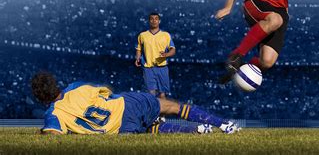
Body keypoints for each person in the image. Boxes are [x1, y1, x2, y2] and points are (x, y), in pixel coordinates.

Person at [31, 71, 240, 135]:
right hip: (128, 104)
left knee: (150, 129)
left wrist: (43, 132)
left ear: (41, 98)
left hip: (122, 128)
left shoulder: (54, 114)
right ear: (55, 84)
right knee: (173, 107)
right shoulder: (76, 86)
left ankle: (200, 130)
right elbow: (106, 92)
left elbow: (53, 134)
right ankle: (223, 124)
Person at [135, 12, 175, 99]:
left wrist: (166, 54)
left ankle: (162, 112)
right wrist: (137, 58)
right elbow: (138, 49)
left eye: (156, 19)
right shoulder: (142, 35)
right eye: (152, 19)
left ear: (159, 21)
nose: (154, 21)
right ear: (149, 21)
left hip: (162, 67)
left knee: (162, 94)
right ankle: (153, 112)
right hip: (148, 68)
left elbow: (173, 50)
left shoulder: (166, 35)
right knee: (151, 94)